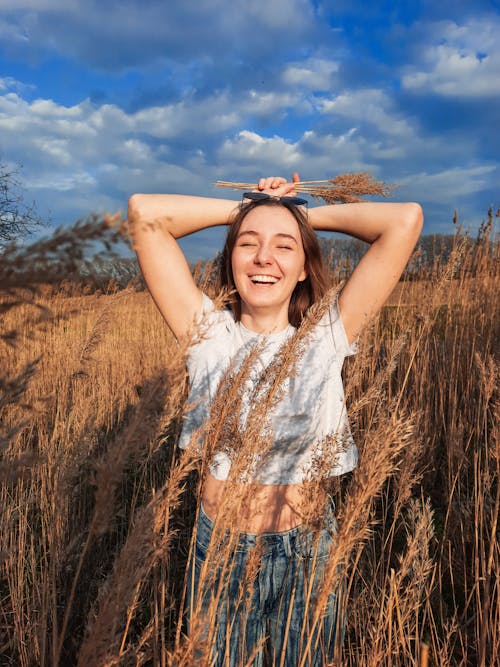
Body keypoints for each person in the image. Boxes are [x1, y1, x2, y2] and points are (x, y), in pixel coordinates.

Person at [128, 174, 423, 665]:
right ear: (231, 261)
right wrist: (251, 208)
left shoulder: (328, 333)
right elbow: (144, 213)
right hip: (221, 551)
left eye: (285, 247)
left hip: (309, 552)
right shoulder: (205, 334)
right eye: (249, 244)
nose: (264, 257)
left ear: (305, 268)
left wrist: (296, 213)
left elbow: (404, 219)